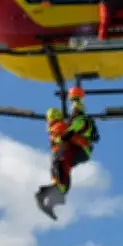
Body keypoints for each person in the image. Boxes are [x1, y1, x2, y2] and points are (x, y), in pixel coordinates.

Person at [35, 90, 100, 220]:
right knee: (62, 183)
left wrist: (75, 100)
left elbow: (71, 127)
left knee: (62, 183)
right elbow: (69, 130)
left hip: (62, 155)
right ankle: (44, 196)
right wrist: (75, 100)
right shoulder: (65, 125)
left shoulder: (57, 126)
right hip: (65, 154)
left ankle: (49, 200)